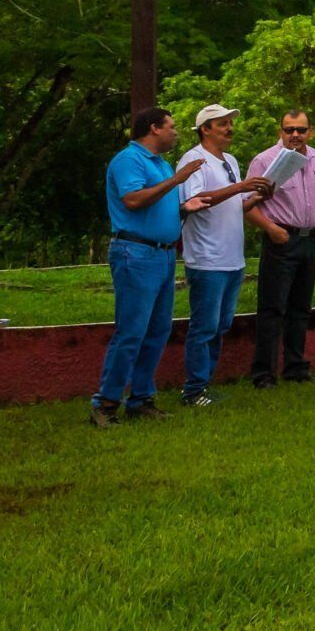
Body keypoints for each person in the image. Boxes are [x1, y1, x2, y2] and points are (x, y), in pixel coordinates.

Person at [94, 107, 196, 425]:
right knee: (132, 331)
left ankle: (141, 398)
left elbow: (158, 204)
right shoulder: (129, 160)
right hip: (135, 254)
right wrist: (178, 180)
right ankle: (106, 403)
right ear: (153, 129)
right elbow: (133, 200)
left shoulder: (161, 164)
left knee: (157, 330)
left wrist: (184, 208)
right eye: (172, 127)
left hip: (163, 255)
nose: (176, 133)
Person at [173, 104, 270, 405]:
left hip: (232, 257)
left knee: (220, 325)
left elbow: (235, 205)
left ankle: (204, 385)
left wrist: (256, 197)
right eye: (222, 124)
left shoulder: (230, 160)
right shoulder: (193, 160)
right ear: (205, 129)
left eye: (230, 123)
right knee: (204, 326)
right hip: (207, 258)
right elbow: (197, 199)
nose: (229, 128)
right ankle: (193, 390)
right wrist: (241, 186)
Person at [244, 111, 315, 388]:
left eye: (301, 130)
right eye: (289, 129)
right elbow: (247, 204)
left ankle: (295, 366)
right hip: (282, 238)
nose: (295, 135)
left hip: (311, 240)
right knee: (272, 308)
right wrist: (271, 229)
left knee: (301, 307)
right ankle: (264, 374)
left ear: (311, 132)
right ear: (280, 131)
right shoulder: (264, 160)